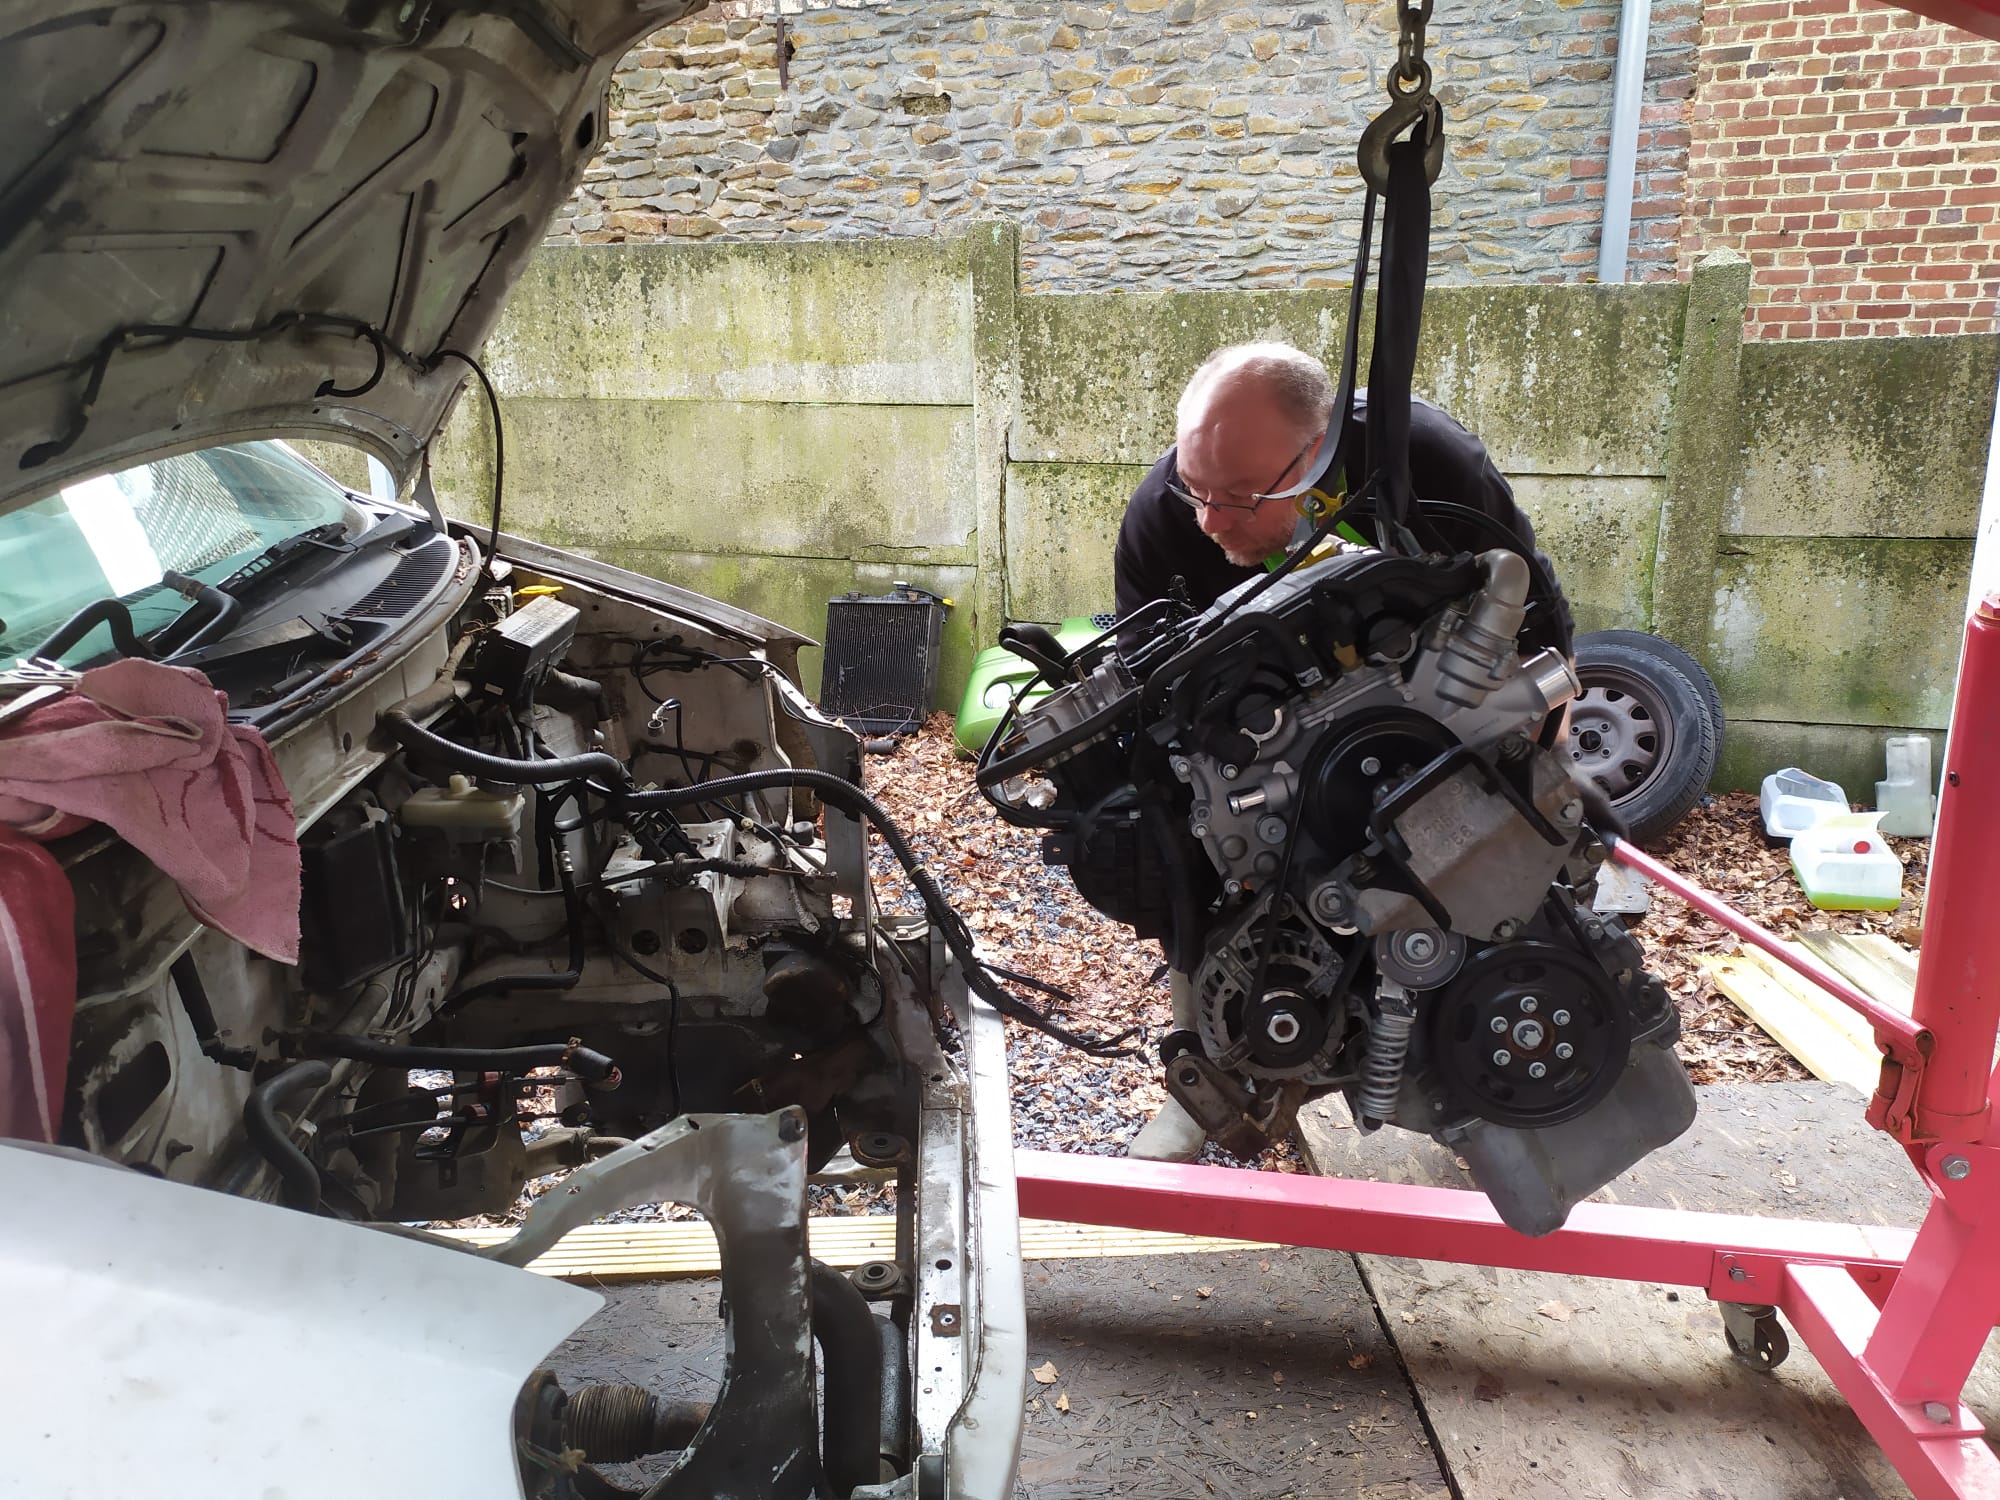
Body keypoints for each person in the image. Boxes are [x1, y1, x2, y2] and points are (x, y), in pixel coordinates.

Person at [1112, 341, 1572, 1162]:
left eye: (1242, 495)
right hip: (1268, 768)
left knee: (1496, 867)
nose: (1211, 520)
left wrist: (1537, 780)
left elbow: (1533, 615)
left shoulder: (1427, 462)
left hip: (1425, 734)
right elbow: (1150, 715)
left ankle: (1489, 1065)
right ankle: (1211, 1068)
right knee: (1186, 856)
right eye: (1196, 488)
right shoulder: (1164, 520)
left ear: (1319, 451)